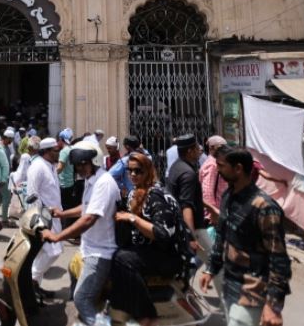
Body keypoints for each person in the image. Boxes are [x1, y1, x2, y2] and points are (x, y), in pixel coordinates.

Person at [200, 148, 292, 326]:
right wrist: (211, 268)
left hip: (252, 291)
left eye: (221, 166)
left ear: (238, 169)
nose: (217, 170)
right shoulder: (229, 196)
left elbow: (278, 258)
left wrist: (273, 305)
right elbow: (222, 236)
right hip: (230, 286)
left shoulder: (264, 207)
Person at [42, 141, 119, 326]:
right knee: (72, 268)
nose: (80, 168)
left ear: (95, 161)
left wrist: (57, 237)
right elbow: (85, 208)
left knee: (82, 299)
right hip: (89, 246)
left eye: (83, 163)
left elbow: (89, 218)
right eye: (77, 165)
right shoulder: (91, 180)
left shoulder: (103, 183)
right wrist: (61, 213)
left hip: (101, 252)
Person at [110, 153, 186, 326]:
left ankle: (147, 315)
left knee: (123, 259)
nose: (133, 175)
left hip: (167, 255)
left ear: (149, 171)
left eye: (138, 171)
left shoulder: (156, 195)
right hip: (149, 252)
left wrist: (132, 219)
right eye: (130, 171)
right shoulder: (133, 194)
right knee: (115, 256)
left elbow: (163, 235)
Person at [166, 134, 212, 286]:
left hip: (184, 226)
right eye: (197, 148)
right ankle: (230, 304)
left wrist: (212, 209)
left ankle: (182, 284)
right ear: (190, 151)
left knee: (198, 260)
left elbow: (191, 198)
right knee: (215, 263)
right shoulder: (188, 174)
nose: (200, 150)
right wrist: (190, 237)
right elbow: (186, 206)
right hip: (194, 228)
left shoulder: (177, 167)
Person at [26, 137, 63, 299]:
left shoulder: (51, 166)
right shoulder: (37, 167)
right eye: (56, 151)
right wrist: (40, 222)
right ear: (46, 152)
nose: (59, 153)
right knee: (52, 252)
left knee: (44, 253)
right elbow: (32, 195)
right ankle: (32, 280)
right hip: (44, 218)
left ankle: (35, 288)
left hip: (55, 216)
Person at [200, 136, 228, 224]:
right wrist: (211, 213)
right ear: (212, 148)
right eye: (222, 147)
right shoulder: (213, 165)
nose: (225, 150)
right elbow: (207, 191)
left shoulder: (214, 162)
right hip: (215, 214)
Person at [57, 129, 77, 229]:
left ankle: (63, 228)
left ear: (61, 139)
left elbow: (60, 167)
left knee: (62, 207)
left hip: (63, 184)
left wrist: (50, 174)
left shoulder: (64, 151)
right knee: (68, 206)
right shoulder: (72, 149)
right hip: (71, 182)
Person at [0, 132, 15, 225]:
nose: (11, 141)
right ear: (6, 138)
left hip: (5, 176)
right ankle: (4, 220)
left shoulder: (6, 147)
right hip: (1, 177)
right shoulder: (0, 148)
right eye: (10, 139)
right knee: (7, 197)